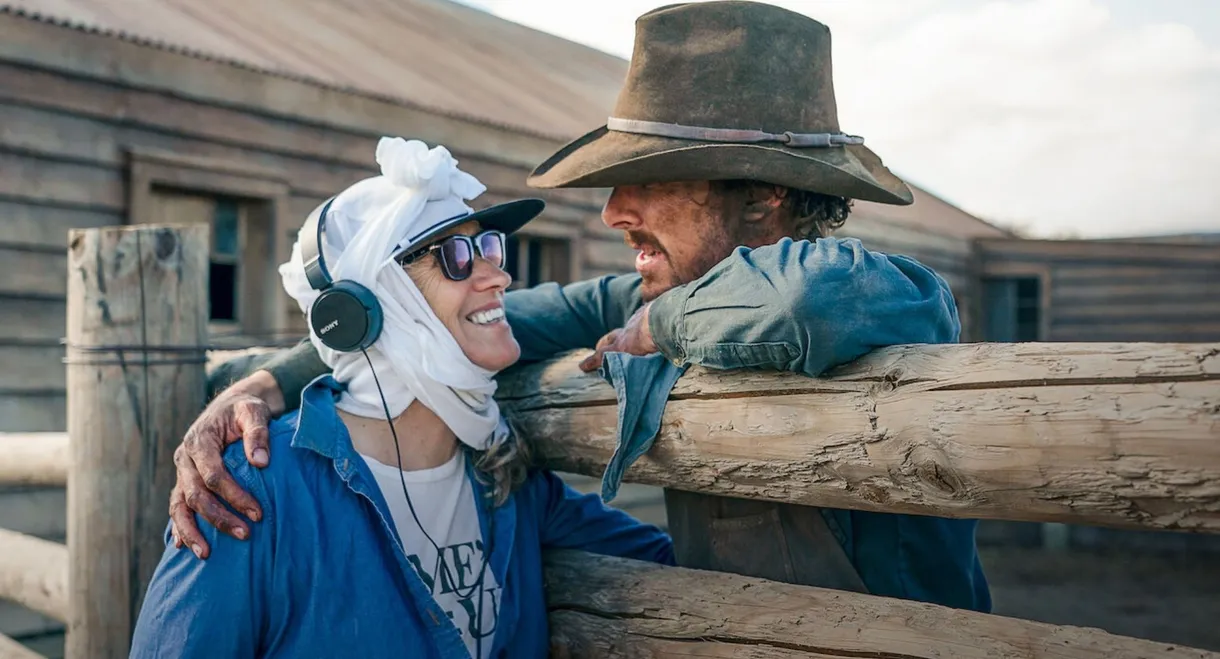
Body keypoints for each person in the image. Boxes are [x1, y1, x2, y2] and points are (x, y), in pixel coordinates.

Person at [170, 1, 991, 612]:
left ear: (764, 192)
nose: (613, 211)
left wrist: (656, 328)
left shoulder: (880, 291)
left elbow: (803, 304)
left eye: (652, 178)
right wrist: (264, 387)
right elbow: (450, 321)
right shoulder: (645, 293)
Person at [130, 138, 673, 659]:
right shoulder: (251, 488)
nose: (500, 275)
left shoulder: (509, 483)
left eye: (489, 247)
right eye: (458, 256)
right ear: (369, 302)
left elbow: (684, 572)